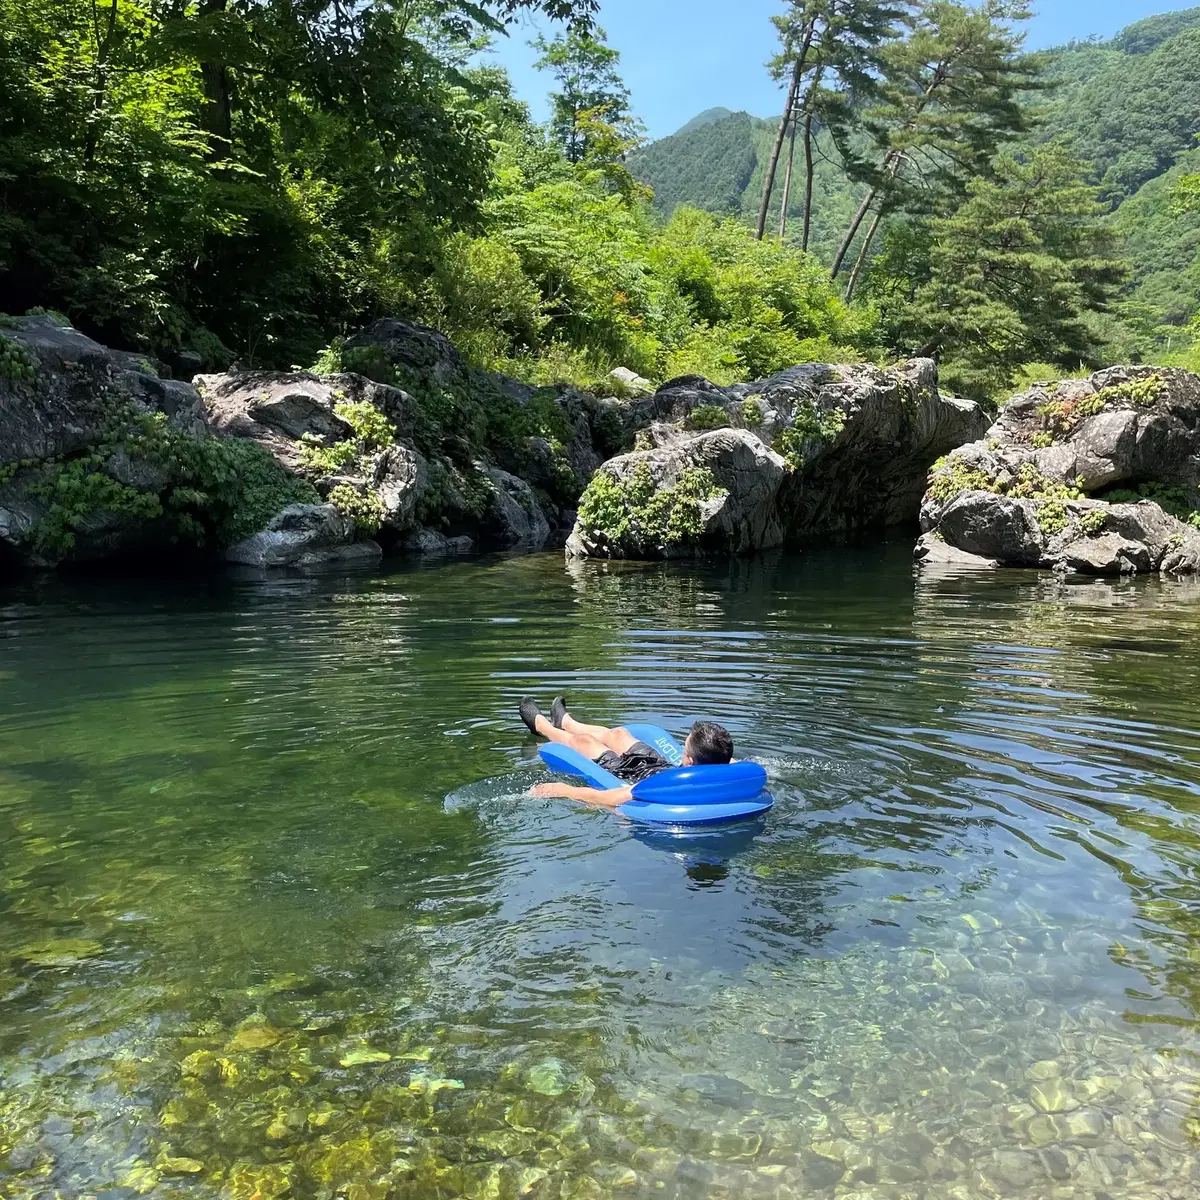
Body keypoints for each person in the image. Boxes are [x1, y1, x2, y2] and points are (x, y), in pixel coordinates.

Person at [520, 696, 734, 807]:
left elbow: (611, 798)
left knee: (585, 743)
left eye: (683, 749)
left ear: (688, 762)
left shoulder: (666, 787)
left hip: (635, 775)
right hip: (660, 767)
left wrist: (564, 791)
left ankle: (543, 728)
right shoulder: (727, 772)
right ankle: (566, 722)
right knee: (619, 735)